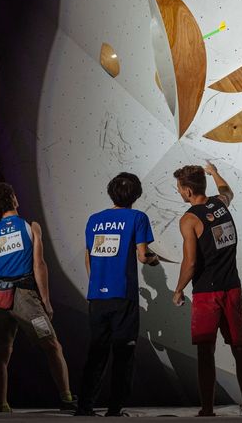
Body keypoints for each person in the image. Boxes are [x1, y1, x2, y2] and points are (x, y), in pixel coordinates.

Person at [0, 182, 77, 412]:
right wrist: (46, 301)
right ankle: (67, 398)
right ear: (13, 199)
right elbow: (39, 265)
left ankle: (2, 404)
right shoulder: (31, 227)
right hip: (25, 300)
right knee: (52, 346)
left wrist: (0, 273)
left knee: (2, 353)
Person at [172, 162, 242, 416]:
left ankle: (207, 408)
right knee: (239, 347)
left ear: (187, 191)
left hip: (207, 292)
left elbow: (191, 262)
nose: (179, 192)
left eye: (179, 188)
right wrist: (215, 172)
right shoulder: (220, 204)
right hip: (232, 288)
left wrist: (178, 289)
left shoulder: (189, 219)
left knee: (206, 351)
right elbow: (227, 190)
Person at [75, 172, 159, 417]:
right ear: (136, 195)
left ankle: (85, 406)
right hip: (123, 295)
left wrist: (98, 281)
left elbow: (89, 256)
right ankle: (115, 408)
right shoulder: (137, 217)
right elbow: (143, 255)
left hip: (97, 296)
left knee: (97, 351)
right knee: (123, 352)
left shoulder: (94, 219)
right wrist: (153, 260)